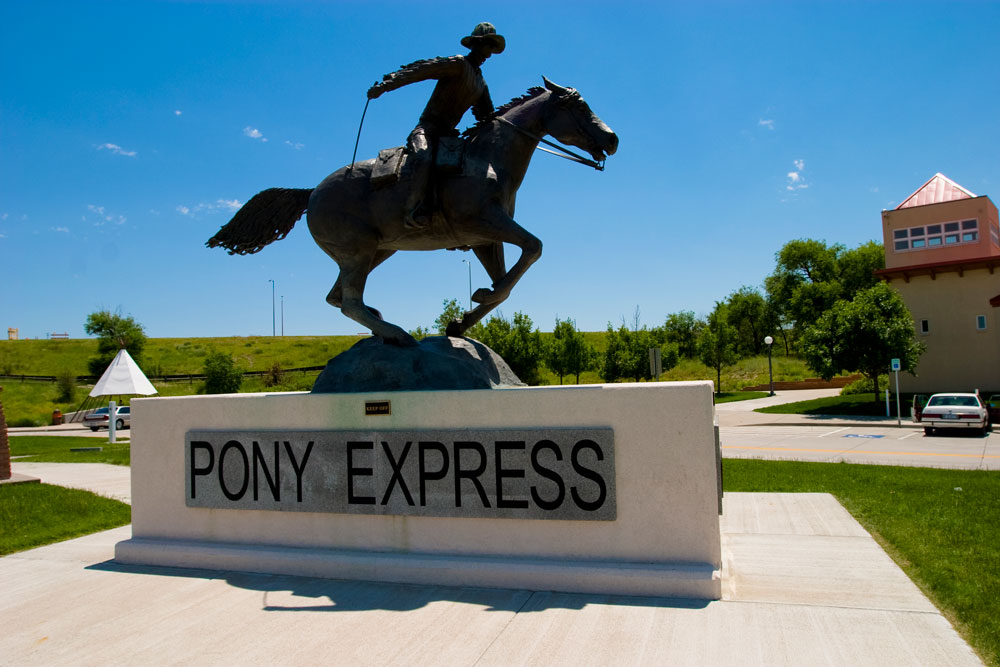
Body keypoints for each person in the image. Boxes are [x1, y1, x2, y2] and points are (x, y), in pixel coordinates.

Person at [367, 22, 505, 228]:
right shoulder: (457, 64)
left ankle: (457, 219)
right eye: (488, 46)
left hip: (449, 137)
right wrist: (387, 84)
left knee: (468, 168)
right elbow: (421, 70)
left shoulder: (480, 83)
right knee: (423, 157)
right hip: (427, 129)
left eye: (493, 49)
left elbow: (486, 116)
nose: (490, 54)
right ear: (477, 44)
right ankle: (412, 211)